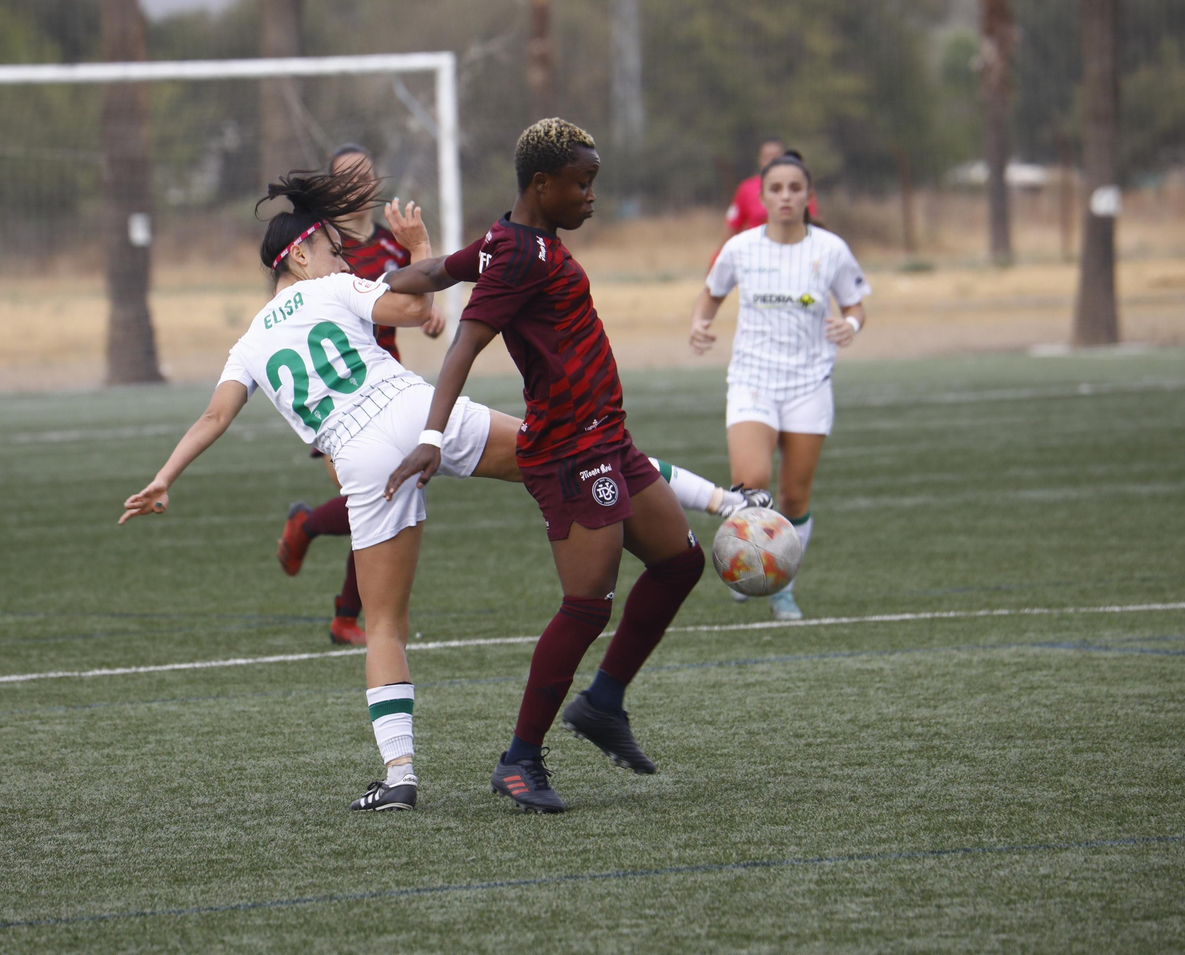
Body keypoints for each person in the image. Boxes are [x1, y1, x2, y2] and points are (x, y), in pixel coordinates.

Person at [120, 169, 517, 813]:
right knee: (559, 455)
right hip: (410, 409)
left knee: (384, 624)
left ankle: (399, 778)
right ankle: (703, 506)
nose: (343, 257)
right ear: (299, 254)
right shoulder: (332, 286)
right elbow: (419, 310)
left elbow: (213, 418)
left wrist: (165, 476)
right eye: (334, 248)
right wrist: (417, 248)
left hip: (357, 455)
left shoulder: (247, 345)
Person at [385, 119, 748, 814]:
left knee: (678, 563)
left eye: (594, 184)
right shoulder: (518, 256)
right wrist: (432, 435)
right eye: (581, 185)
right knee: (587, 604)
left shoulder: (514, 242)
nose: (590, 197)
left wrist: (394, 273)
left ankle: (603, 703)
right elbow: (463, 346)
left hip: (607, 437)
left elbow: (434, 274)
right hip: (570, 452)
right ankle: (520, 759)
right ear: (541, 185)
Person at [276, 144, 446, 648]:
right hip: (337, 392)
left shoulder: (393, 246)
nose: (357, 187)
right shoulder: (323, 249)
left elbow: (413, 299)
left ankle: (344, 611)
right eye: (345, 179)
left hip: (386, 390)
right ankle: (317, 551)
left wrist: (430, 317)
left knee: (388, 493)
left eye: (364, 176)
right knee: (371, 497)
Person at [689, 150, 870, 620]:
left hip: (809, 384)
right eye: (777, 188)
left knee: (793, 497)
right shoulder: (741, 248)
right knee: (753, 486)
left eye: (795, 188)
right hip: (753, 380)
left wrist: (851, 325)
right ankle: (747, 567)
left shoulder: (829, 249)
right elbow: (711, 294)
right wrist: (700, 324)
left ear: (809, 195)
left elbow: (855, 304)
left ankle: (782, 583)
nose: (786, 196)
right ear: (762, 196)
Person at [723, 136, 820, 237]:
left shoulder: (799, 186)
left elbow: (813, 221)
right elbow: (732, 226)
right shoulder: (746, 188)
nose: (785, 197)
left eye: (776, 157)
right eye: (766, 157)